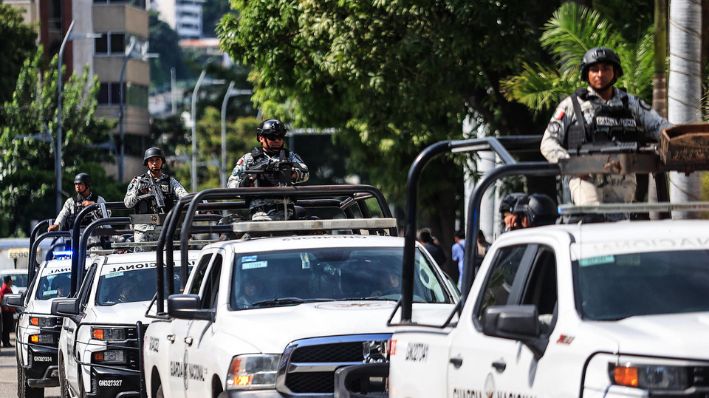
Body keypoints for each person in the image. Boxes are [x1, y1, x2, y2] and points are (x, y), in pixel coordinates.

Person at [541, 47, 671, 205]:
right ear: (586, 74)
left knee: (622, 225)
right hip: (586, 176)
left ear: (615, 72)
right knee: (593, 221)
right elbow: (547, 143)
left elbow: (660, 127)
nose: (600, 74)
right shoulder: (571, 105)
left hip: (623, 177)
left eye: (606, 69)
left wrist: (684, 139)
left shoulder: (631, 103)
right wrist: (573, 166)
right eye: (594, 69)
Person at [227, 119, 309, 220]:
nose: (277, 140)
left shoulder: (289, 157)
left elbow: (305, 172)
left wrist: (292, 173)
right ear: (261, 138)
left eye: (280, 137)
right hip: (259, 214)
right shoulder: (249, 159)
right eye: (272, 137)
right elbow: (231, 184)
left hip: (287, 213)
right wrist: (246, 183)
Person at [124, 147, 188, 248]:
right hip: (143, 230)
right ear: (147, 163)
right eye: (151, 160)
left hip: (164, 229)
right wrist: (138, 194)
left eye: (157, 160)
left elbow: (184, 196)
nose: (154, 163)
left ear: (162, 161)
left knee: (167, 261)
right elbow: (127, 203)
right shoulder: (138, 181)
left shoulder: (170, 181)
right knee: (143, 261)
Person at [0, 276, 14, 347]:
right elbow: (2, 299)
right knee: (6, 327)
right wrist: (6, 308)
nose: (12, 281)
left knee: (8, 327)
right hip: (6, 311)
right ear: (8, 281)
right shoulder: (4, 288)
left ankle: (7, 341)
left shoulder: (7, 288)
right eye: (11, 280)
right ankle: (5, 342)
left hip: (9, 311)